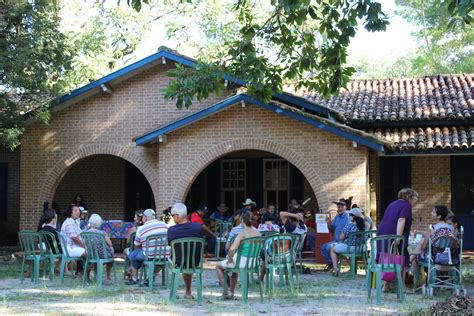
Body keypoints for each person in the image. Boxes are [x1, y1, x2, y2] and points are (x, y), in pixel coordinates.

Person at [377, 188, 418, 289]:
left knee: (387, 257)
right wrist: (398, 237)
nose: (416, 200)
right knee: (402, 257)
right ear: (409, 197)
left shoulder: (392, 204)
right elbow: (401, 220)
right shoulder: (406, 205)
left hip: (383, 233)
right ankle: (402, 285)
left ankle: (385, 285)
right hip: (394, 233)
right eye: (415, 198)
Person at [216, 211, 260, 299]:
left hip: (242, 262)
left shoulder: (242, 234)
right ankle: (231, 291)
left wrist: (230, 258)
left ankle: (227, 291)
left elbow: (231, 249)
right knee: (233, 267)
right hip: (254, 263)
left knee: (218, 266)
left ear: (242, 221)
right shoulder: (258, 233)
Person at [410, 205, 458, 283]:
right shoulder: (451, 228)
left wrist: (420, 250)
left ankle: (418, 282)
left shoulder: (432, 228)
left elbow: (424, 246)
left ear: (438, 216)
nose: (431, 213)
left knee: (415, 257)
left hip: (435, 258)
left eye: (433, 212)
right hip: (450, 258)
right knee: (417, 253)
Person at [167, 203, 203, 299]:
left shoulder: (171, 230)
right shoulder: (198, 227)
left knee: (170, 258)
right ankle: (188, 292)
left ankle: (173, 291)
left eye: (173, 216)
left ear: (177, 216)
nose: (172, 218)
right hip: (195, 261)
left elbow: (170, 245)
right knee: (187, 257)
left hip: (178, 262)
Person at [126, 209, 169, 285]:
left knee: (134, 254)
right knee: (160, 259)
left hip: (148, 255)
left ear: (145, 218)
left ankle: (134, 279)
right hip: (164, 255)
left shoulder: (141, 229)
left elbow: (136, 246)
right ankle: (150, 277)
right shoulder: (165, 225)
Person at [329, 208, 366, 276]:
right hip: (360, 249)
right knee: (342, 250)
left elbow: (341, 237)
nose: (348, 216)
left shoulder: (350, 225)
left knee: (333, 249)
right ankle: (353, 268)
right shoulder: (364, 226)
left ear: (353, 216)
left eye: (350, 215)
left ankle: (336, 269)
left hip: (350, 248)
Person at [84, 214, 115, 283]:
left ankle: (87, 277)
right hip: (102, 255)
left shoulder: (85, 233)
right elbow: (110, 243)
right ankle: (108, 277)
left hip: (90, 255)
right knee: (111, 251)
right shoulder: (102, 233)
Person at [321, 199, 349, 271]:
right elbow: (332, 229)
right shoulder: (337, 217)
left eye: (341, 207)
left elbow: (349, 230)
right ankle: (331, 264)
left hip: (344, 241)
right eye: (338, 207)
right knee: (323, 247)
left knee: (328, 247)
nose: (339, 209)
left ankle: (335, 265)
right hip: (336, 240)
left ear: (345, 207)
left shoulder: (348, 216)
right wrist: (328, 223)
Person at [61, 204, 87, 275]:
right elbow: (74, 237)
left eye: (78, 210)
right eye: (75, 210)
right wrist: (84, 245)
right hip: (69, 248)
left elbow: (80, 234)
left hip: (74, 247)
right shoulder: (69, 222)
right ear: (70, 212)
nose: (78, 212)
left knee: (88, 250)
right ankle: (85, 274)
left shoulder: (75, 221)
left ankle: (80, 271)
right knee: (89, 253)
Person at [123, 210, 144, 279]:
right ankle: (130, 269)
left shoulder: (133, 229)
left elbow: (128, 241)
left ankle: (129, 269)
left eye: (135, 217)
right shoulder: (145, 228)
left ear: (138, 219)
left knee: (125, 251)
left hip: (134, 250)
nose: (134, 218)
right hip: (143, 251)